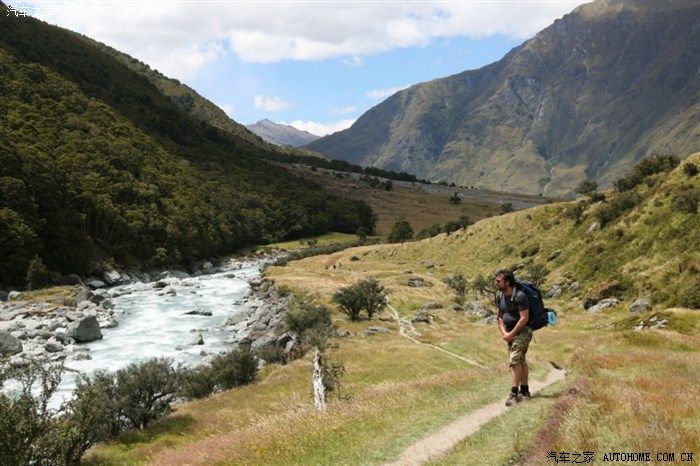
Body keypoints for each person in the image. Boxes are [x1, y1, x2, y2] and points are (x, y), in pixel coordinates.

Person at [494, 268, 532, 406]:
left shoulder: (520, 296)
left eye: (499, 281)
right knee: (521, 360)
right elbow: (499, 317)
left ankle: (514, 394)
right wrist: (505, 333)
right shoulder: (500, 297)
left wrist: (511, 334)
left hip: (523, 331)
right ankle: (525, 390)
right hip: (510, 333)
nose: (496, 283)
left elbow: (524, 318)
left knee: (514, 359)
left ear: (508, 282)